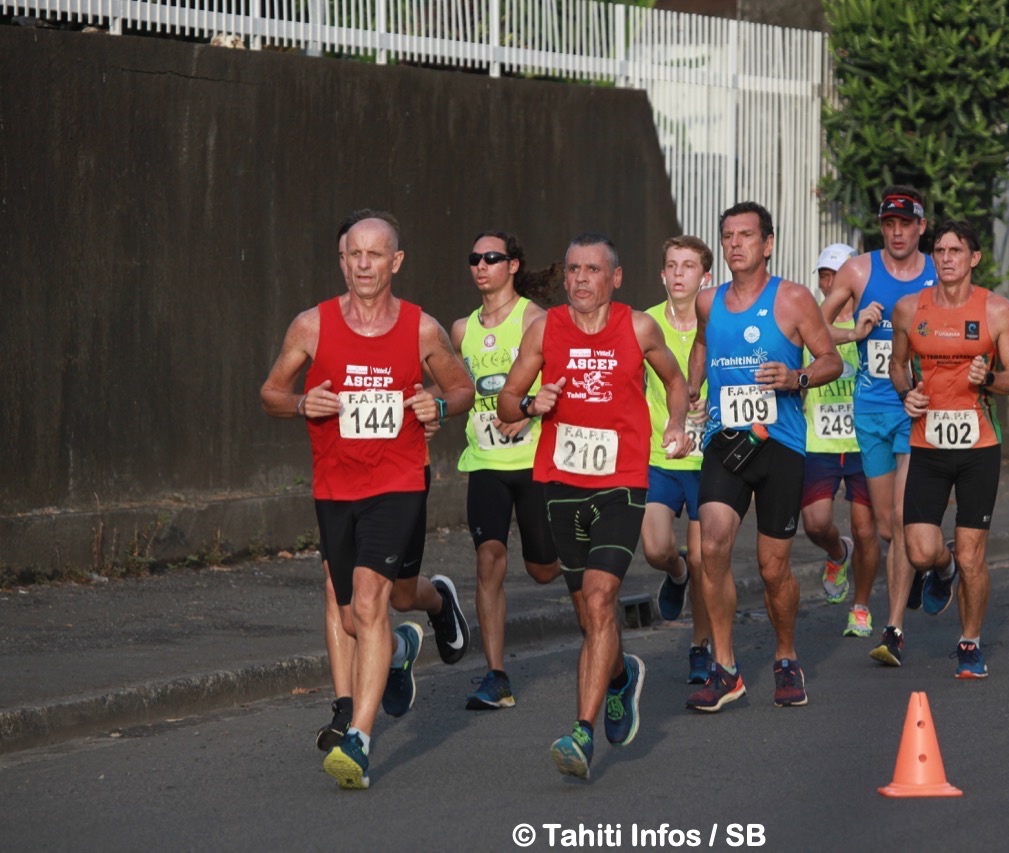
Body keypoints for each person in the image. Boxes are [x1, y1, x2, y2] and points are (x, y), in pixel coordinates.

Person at [260, 212, 475, 789]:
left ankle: (357, 736)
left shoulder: (422, 329)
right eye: (354, 254)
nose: (363, 265)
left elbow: (462, 387)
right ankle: (427, 614)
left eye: (375, 255)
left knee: (371, 601)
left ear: (395, 262)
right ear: (342, 260)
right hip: (335, 485)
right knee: (349, 605)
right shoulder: (311, 325)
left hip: (399, 481)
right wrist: (303, 404)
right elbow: (271, 392)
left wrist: (440, 406)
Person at [497, 233, 692, 779]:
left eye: (593, 270)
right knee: (588, 612)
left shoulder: (638, 327)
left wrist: (676, 422)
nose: (581, 279)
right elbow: (508, 402)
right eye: (574, 270)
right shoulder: (545, 329)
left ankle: (581, 733)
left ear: (616, 277)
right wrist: (532, 403)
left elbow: (675, 382)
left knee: (602, 598)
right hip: (560, 480)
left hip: (622, 481)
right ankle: (620, 676)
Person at [684, 202, 842, 712]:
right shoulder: (708, 302)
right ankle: (726, 667)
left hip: (780, 445)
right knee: (711, 543)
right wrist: (693, 385)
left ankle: (786, 654)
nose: (735, 244)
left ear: (767, 244)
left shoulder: (794, 300)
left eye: (746, 235)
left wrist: (795, 378)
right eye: (728, 235)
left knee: (773, 568)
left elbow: (831, 361)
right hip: (725, 441)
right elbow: (702, 346)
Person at [888, 219, 1009, 679]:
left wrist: (987, 378)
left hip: (978, 446)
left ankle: (970, 641)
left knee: (973, 555)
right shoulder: (910, 308)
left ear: (974, 258)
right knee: (920, 551)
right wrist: (907, 392)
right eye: (940, 251)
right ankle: (941, 571)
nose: (946, 258)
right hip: (927, 440)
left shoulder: (999, 311)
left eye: (955, 251)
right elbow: (897, 364)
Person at [820, 186, 937, 668]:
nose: (896, 232)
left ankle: (893, 630)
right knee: (890, 527)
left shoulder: (938, 270)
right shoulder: (858, 270)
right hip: (870, 408)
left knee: (907, 523)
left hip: (917, 408)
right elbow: (814, 326)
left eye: (905, 224)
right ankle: (935, 566)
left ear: (920, 227)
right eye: (889, 224)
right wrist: (856, 332)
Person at [451, 231, 562, 711]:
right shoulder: (460, 329)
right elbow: (457, 388)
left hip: (534, 460)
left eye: (491, 258)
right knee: (488, 559)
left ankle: (582, 560)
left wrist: (530, 409)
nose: (481, 266)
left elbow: (561, 381)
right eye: (474, 258)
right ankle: (496, 675)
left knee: (542, 570)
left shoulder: (535, 319)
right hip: (486, 463)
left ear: (513, 265)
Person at [641, 236, 714, 683]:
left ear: (705, 277)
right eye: (673, 265)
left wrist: (714, 408)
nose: (680, 273)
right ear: (663, 274)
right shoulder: (644, 324)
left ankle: (700, 646)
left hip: (709, 459)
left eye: (689, 266)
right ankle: (676, 571)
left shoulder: (719, 321)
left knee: (709, 559)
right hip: (658, 454)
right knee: (655, 548)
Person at [801, 243, 881, 639]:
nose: (830, 282)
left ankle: (861, 606)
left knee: (867, 529)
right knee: (815, 524)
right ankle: (837, 553)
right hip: (820, 442)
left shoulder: (875, 317)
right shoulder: (809, 324)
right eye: (824, 275)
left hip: (865, 440)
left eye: (837, 274)